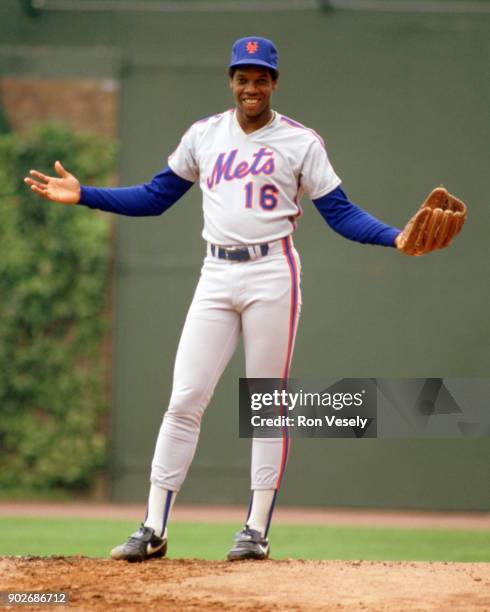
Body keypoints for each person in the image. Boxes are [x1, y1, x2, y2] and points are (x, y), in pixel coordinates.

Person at [25, 36, 407, 562]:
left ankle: (254, 531)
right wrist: (86, 194)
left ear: (274, 82)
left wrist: (394, 236)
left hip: (273, 270)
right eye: (242, 76)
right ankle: (152, 527)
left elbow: (340, 212)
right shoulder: (204, 136)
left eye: (261, 77)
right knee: (184, 397)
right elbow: (155, 197)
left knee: (266, 402)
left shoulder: (300, 142)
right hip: (215, 273)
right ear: (231, 81)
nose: (251, 86)